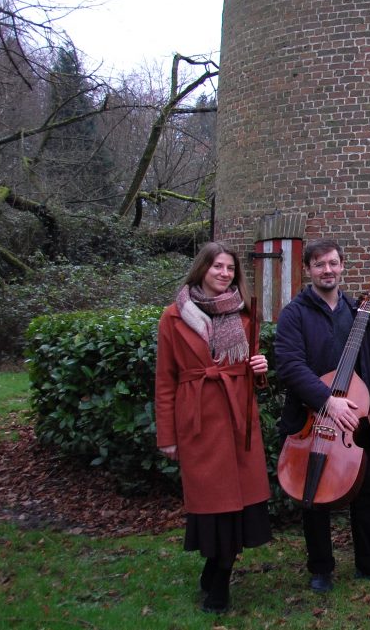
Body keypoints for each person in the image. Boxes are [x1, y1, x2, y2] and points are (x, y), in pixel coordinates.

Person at [274, 238, 370, 592]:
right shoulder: (295, 313)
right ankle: (321, 568)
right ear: (309, 270)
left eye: (333, 263)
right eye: (319, 265)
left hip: (359, 419)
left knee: (367, 493)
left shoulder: (359, 311)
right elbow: (289, 365)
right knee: (313, 493)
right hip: (311, 416)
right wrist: (326, 401)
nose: (327, 270)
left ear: (342, 265)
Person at [155, 241, 272, 614]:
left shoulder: (246, 314)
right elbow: (164, 381)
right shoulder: (173, 317)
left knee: (238, 505)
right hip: (199, 422)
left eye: (230, 269)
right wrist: (167, 437)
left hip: (240, 420)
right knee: (213, 504)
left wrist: (260, 370)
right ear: (202, 268)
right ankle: (214, 569)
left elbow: (253, 371)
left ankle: (219, 580)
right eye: (217, 267)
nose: (224, 274)